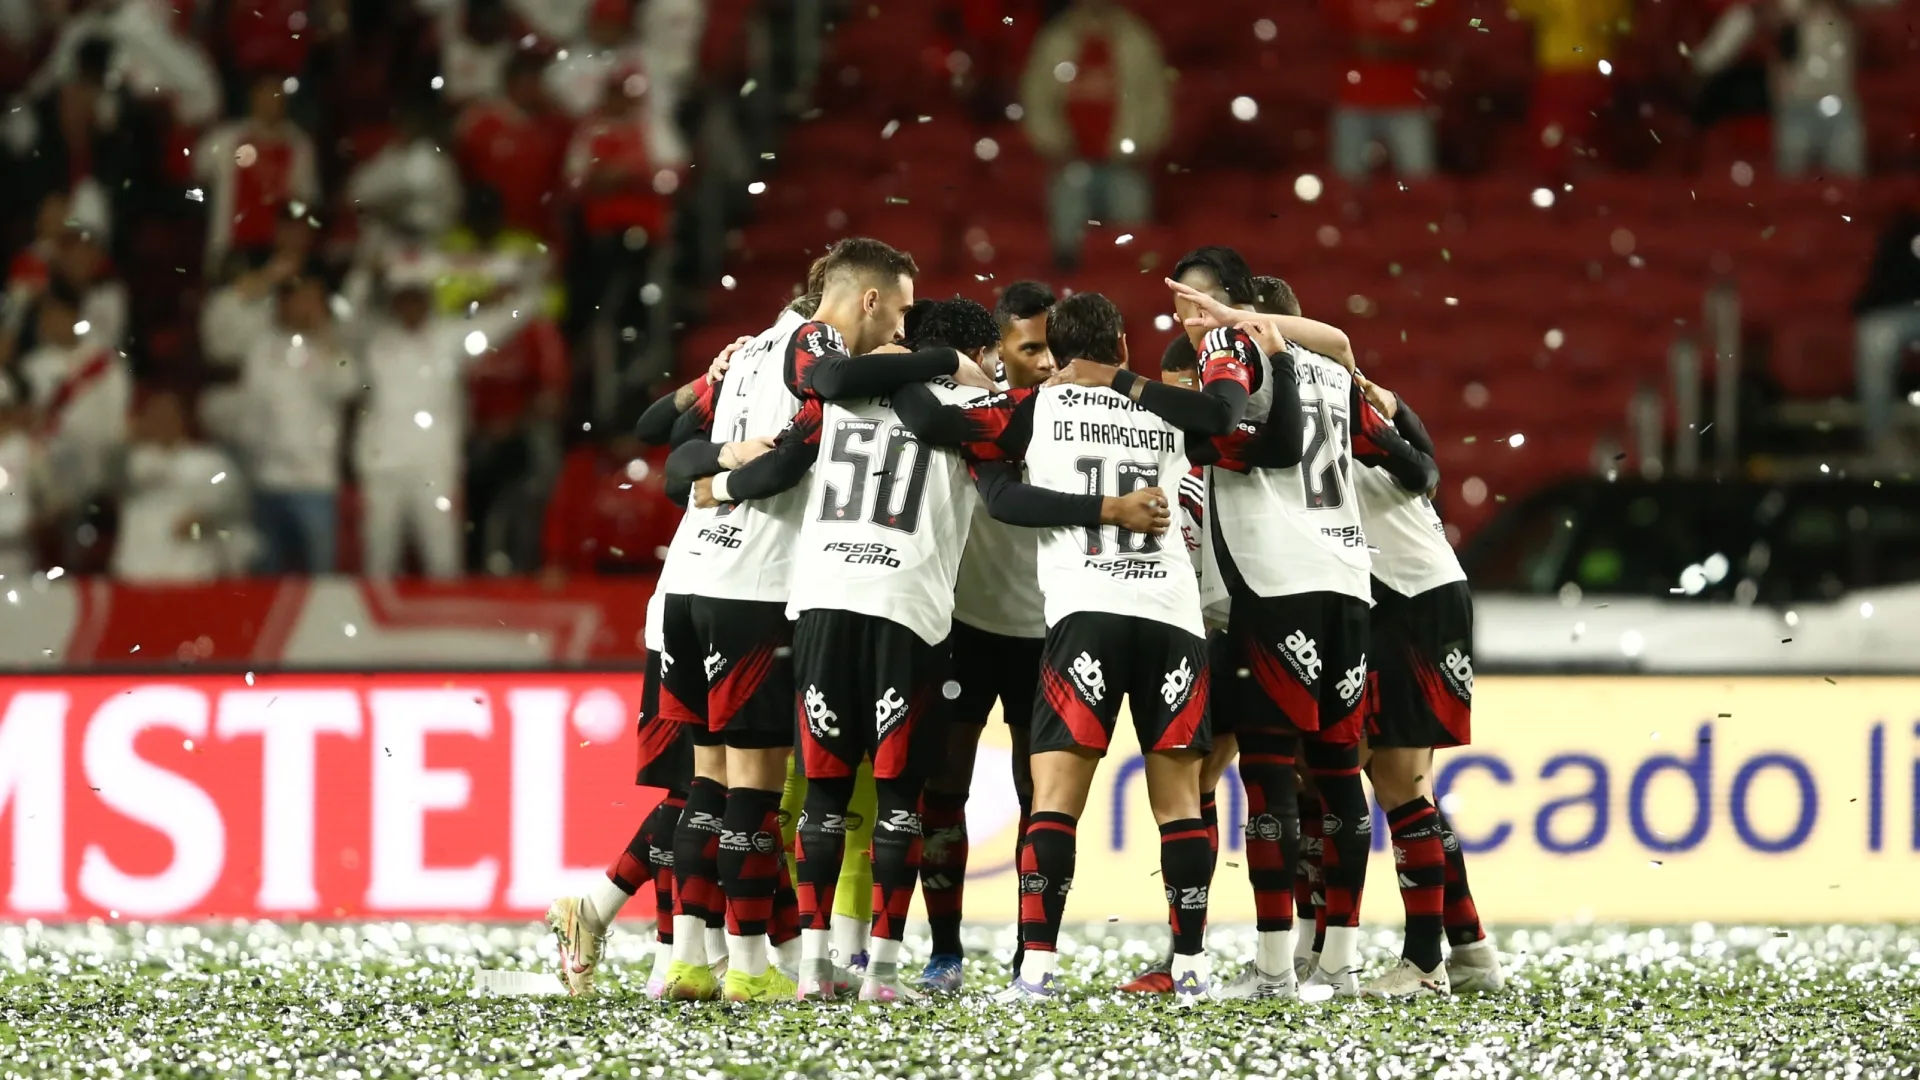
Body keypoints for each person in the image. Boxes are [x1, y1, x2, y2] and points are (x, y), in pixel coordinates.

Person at [662, 239, 993, 1003]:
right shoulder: (960, 398)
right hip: (894, 607)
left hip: (796, 599)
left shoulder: (812, 391)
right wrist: (948, 369)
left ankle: (781, 963)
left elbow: (695, 452)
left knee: (794, 793)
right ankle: (861, 970)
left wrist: (713, 486)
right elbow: (1001, 480)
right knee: (889, 795)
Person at [886, 292, 1207, 1003]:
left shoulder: (1036, 409)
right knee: (1180, 802)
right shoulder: (1164, 407)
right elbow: (1227, 422)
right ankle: (1191, 966)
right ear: (1124, 343)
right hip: (1172, 613)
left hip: (1082, 615)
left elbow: (938, 427)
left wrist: (903, 367)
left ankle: (1034, 969)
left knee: (1055, 803)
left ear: (1055, 354)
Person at [547, 335, 748, 999]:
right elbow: (657, 440)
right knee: (697, 786)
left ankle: (637, 929)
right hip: (697, 607)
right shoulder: (751, 385)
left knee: (708, 787)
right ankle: (671, 948)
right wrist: (711, 380)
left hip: (731, 600)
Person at [909, 283, 1057, 994]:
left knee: (1043, 797)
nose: (1047, 361)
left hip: (1047, 631)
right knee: (944, 790)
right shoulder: (966, 410)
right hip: (964, 625)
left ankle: (1034, 951)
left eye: (1054, 347)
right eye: (1030, 349)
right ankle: (945, 951)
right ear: (997, 352)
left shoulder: (1077, 412)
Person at [1343, 372, 1504, 996]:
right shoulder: (1327, 398)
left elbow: (1423, 471)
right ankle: (1470, 951)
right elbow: (1424, 462)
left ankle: (1424, 962)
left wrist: (1397, 413)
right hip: (1408, 595)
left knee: (1400, 783)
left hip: (1412, 598)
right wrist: (1402, 409)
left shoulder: (1312, 399)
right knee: (1401, 786)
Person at [357, 261, 536, 579]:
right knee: (379, 559)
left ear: (427, 300)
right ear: (394, 302)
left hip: (435, 468)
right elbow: (347, 314)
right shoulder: (373, 341)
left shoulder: (450, 338)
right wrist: (363, 275)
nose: (410, 307)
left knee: (443, 558)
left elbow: (509, 319)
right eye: (403, 299)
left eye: (417, 298)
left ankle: (444, 622)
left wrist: (523, 288)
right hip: (382, 466)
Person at [1019, 0, 1169, 270]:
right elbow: (1037, 98)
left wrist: (1140, 144)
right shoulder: (1056, 41)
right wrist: (1052, 143)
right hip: (1070, 161)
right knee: (1066, 240)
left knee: (1130, 238)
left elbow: (1155, 100)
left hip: (1124, 164)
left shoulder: (1136, 40)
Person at [237, 274, 357, 574]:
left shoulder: (333, 349)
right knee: (267, 573)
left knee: (321, 574)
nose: (305, 307)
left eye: (312, 300)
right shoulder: (262, 347)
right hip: (267, 479)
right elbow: (252, 407)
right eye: (299, 299)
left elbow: (349, 385)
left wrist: (327, 338)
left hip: (315, 481)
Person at [1691, 0, 1862, 178]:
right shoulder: (1771, 8)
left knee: (1848, 183)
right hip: (1795, 104)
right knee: (1792, 187)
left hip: (1840, 102)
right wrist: (1699, 62)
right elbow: (1724, 42)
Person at [111, 391, 250, 581]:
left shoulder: (208, 461)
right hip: (138, 570)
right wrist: (124, 439)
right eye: (154, 417)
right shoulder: (133, 462)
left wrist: (203, 516)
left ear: (182, 420)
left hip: (190, 570)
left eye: (168, 417)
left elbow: (229, 497)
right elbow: (104, 479)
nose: (161, 423)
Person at [195, 73, 320, 272]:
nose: (271, 101)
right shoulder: (225, 139)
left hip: (275, 248)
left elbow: (305, 198)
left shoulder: (299, 145)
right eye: (266, 93)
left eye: (277, 94)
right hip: (232, 244)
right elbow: (198, 169)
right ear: (253, 97)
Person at [1511, 0, 1628, 176]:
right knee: (1590, 143)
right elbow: (1623, 24)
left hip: (1560, 73)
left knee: (1556, 147)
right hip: (1597, 73)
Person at [1327, 0, 1440, 180]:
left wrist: (1384, 48)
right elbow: (1327, 33)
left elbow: (1436, 36)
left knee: (1419, 184)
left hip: (1407, 100)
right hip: (1354, 99)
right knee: (1345, 184)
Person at [1853, 198, 1920, 454]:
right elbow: (1878, 293)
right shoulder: (1903, 231)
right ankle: (1882, 441)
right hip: (1901, 313)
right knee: (1874, 336)